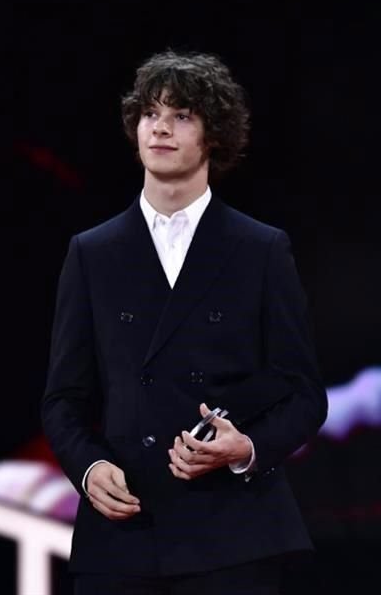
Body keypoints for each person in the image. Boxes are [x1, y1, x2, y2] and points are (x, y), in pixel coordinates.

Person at [41, 50, 328, 594]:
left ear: (213, 135)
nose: (161, 128)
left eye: (181, 115)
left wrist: (246, 449)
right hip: (124, 531)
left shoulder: (260, 249)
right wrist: (89, 469)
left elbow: (304, 394)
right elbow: (63, 399)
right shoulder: (92, 252)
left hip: (233, 535)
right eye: (150, 113)